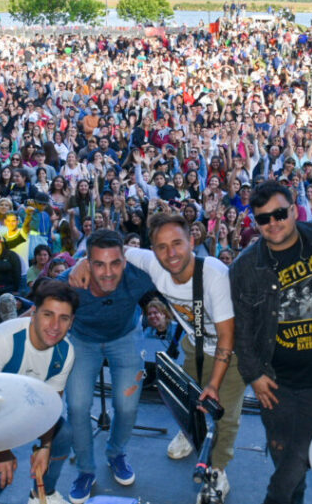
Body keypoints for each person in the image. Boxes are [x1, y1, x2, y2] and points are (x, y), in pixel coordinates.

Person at [67, 212, 242, 497]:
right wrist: (84, 260)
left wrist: (214, 384)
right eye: (161, 246)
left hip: (231, 350)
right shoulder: (150, 264)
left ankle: (215, 471)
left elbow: (227, 337)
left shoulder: (213, 274)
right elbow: (113, 250)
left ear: (192, 241)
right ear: (153, 249)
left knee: (224, 415)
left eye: (177, 244)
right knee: (188, 403)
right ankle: (88, 470)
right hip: (187, 346)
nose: (170, 253)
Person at [228, 182, 312, 504]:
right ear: (255, 222)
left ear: (294, 210)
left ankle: (273, 499)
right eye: (264, 219)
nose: (273, 223)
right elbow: (242, 329)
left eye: (279, 214)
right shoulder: (245, 268)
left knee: (302, 452)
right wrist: (253, 375)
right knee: (282, 452)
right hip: (274, 381)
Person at [58, 230, 157, 504]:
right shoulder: (72, 279)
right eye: (99, 264)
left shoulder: (138, 276)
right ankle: (85, 470)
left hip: (124, 338)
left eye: (115, 263)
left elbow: (173, 266)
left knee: (127, 404)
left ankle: (116, 453)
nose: (108, 272)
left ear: (125, 261)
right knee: (77, 406)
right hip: (82, 341)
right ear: (88, 263)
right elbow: (42, 294)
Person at [0, 279, 79, 504]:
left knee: (63, 435)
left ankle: (43, 494)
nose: (55, 325)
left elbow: (50, 404)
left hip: (18, 405)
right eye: (48, 315)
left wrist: (45, 446)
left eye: (63, 318)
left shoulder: (66, 352)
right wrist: (2, 451)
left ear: (71, 322)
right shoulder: (4, 339)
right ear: (33, 313)